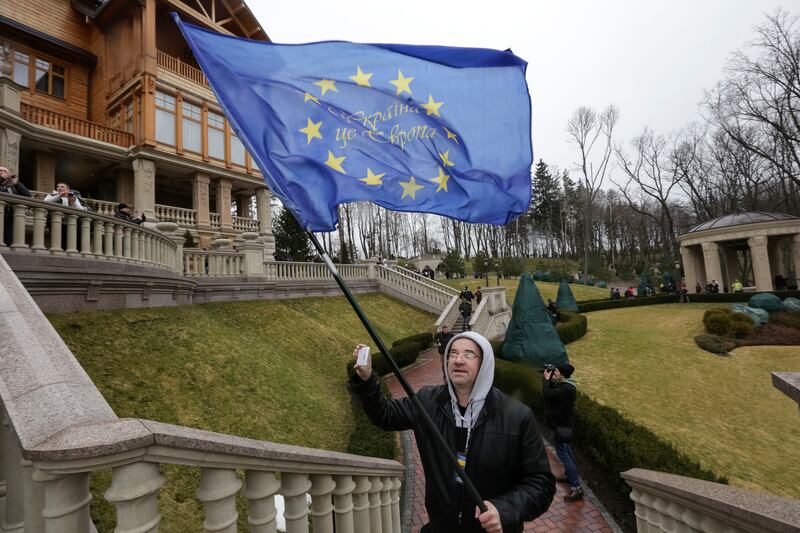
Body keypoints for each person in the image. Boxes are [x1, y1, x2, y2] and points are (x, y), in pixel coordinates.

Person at [349, 332, 555, 532]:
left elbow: (541, 484)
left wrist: (504, 510)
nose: (458, 360)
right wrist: (368, 380)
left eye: (468, 354)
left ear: (485, 364)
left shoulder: (517, 416)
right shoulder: (427, 402)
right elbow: (385, 415)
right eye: (453, 353)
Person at [542, 363, 583, 502]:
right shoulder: (566, 385)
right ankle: (569, 475)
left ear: (564, 374)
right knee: (567, 451)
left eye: (557, 371)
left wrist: (547, 380)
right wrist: (551, 379)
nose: (555, 372)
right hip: (562, 425)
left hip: (561, 428)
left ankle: (576, 487)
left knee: (564, 455)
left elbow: (547, 394)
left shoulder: (567, 389)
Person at [1, 165, 32, 245]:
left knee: (8, 241)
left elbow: (28, 195)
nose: (2, 172)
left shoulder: (13, 186)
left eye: (5, 171)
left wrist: (16, 183)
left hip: (9, 217)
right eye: (0, 170)